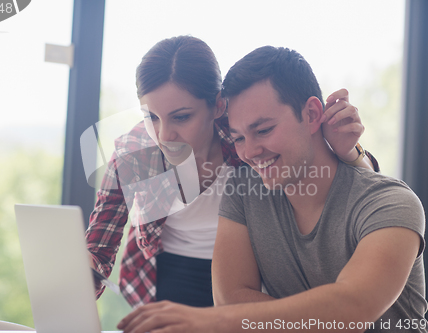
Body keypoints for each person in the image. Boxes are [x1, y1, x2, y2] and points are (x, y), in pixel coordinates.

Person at [117, 46, 427, 333]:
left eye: (263, 130)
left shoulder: (391, 203)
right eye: (238, 138)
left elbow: (353, 308)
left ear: (312, 115)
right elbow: (231, 298)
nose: (249, 152)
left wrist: (206, 320)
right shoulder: (244, 190)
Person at [86, 36, 376, 310]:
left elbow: (347, 182)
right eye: (151, 117)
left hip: (251, 278)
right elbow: (98, 249)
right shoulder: (135, 153)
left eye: (182, 116)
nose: (164, 135)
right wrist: (76, 273)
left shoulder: (247, 135)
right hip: (162, 279)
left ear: (218, 105)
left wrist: (348, 151)